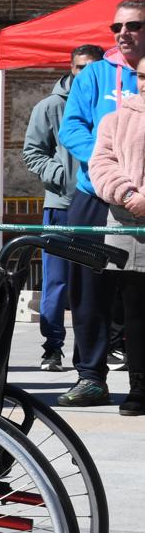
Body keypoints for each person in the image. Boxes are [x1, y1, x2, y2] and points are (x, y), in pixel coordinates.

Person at [59, 0, 145, 406]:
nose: (123, 33)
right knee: (88, 290)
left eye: (134, 25)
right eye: (116, 27)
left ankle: (141, 382)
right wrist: (111, 165)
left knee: (138, 294)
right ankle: (90, 376)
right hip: (95, 194)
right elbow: (71, 127)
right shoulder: (94, 74)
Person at [24, 45, 103, 373]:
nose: (85, 74)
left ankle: (93, 352)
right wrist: (62, 177)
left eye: (92, 68)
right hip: (62, 205)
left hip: (102, 205)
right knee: (56, 281)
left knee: (97, 284)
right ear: (70, 69)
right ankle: (52, 347)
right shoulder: (49, 107)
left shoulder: (111, 104)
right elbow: (32, 152)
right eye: (79, 67)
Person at [89, 59, 145, 416]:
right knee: (134, 312)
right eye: (142, 75)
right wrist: (128, 195)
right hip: (128, 226)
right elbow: (101, 163)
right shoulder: (116, 119)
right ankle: (139, 384)